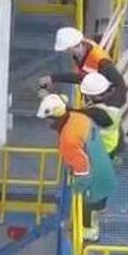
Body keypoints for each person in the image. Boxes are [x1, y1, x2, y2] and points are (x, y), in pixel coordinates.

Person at [38, 93, 115, 242]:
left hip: (95, 176)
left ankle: (90, 232)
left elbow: (83, 172)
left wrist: (76, 188)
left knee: (86, 201)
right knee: (98, 196)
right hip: (103, 162)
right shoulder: (77, 117)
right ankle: (99, 209)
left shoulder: (67, 140)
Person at [40, 26, 128, 107]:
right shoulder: (81, 52)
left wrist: (108, 106)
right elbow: (82, 77)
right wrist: (53, 78)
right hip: (97, 96)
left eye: (67, 49)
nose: (66, 52)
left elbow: (120, 85)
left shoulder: (101, 62)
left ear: (73, 47)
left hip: (108, 99)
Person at [78, 71, 124, 158]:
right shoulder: (113, 101)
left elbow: (74, 114)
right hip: (112, 145)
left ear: (92, 96)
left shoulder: (96, 112)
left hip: (103, 150)